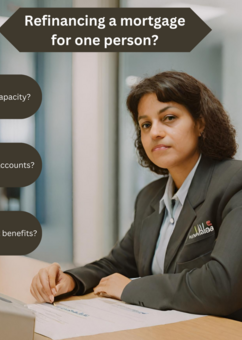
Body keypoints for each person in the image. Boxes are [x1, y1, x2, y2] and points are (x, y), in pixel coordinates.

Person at [30, 71, 242, 321]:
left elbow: (222, 285)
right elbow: (118, 264)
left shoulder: (233, 182)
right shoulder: (149, 197)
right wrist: (70, 280)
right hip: (163, 335)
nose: (155, 132)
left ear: (201, 123)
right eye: (146, 124)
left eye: (169, 118)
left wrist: (131, 289)